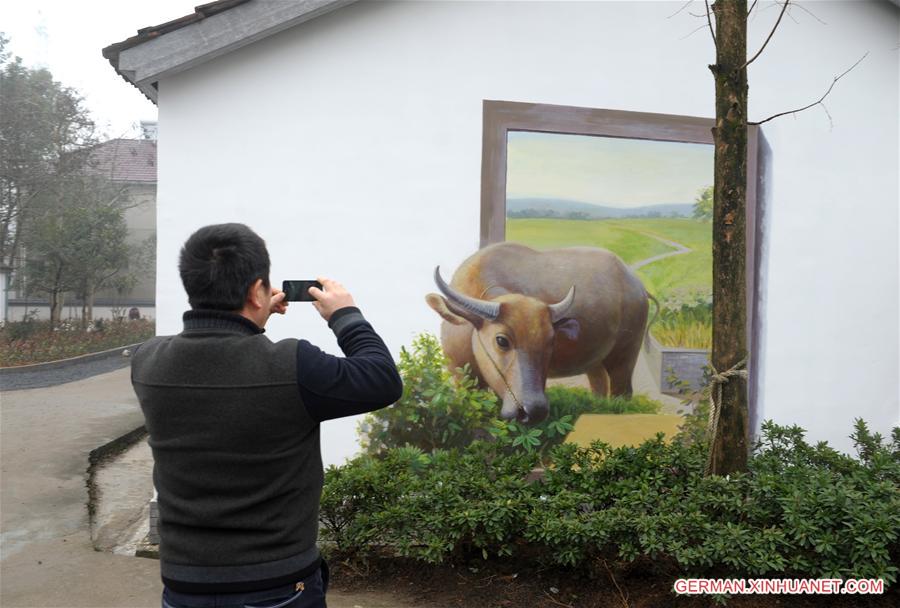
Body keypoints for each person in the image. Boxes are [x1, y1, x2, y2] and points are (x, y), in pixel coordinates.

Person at [131, 223, 402, 608]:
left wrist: (251, 321)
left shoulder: (147, 363)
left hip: (184, 584)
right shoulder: (293, 366)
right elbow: (382, 380)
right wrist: (346, 315)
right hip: (276, 584)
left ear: (192, 286)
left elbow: (216, 366)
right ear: (257, 290)